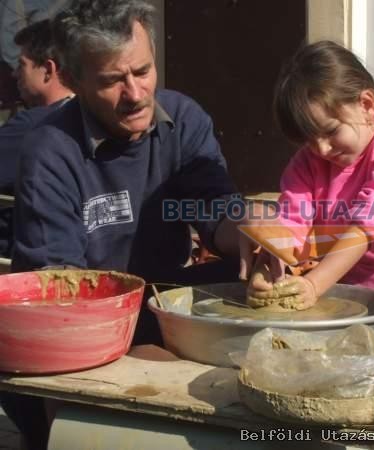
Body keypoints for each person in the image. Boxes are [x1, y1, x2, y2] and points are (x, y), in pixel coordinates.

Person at [4, 1, 262, 448]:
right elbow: (59, 293)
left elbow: (212, 208)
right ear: (73, 79)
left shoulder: (182, 120)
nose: (136, 94)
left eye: (142, 71)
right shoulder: (50, 151)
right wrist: (154, 361)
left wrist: (249, 233)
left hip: (160, 304)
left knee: (251, 285)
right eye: (112, 80)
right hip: (74, 330)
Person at [249, 40, 374, 382]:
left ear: (367, 105)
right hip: (344, 285)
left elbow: (364, 229)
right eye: (309, 140)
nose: (321, 149)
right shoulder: (308, 163)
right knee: (289, 348)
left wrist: (314, 284)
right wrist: (267, 268)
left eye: (329, 132)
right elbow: (288, 224)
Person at [0, 19, 74, 257]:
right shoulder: (91, 116)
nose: (14, 73)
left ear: (49, 70)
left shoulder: (33, 125)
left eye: (22, 65)